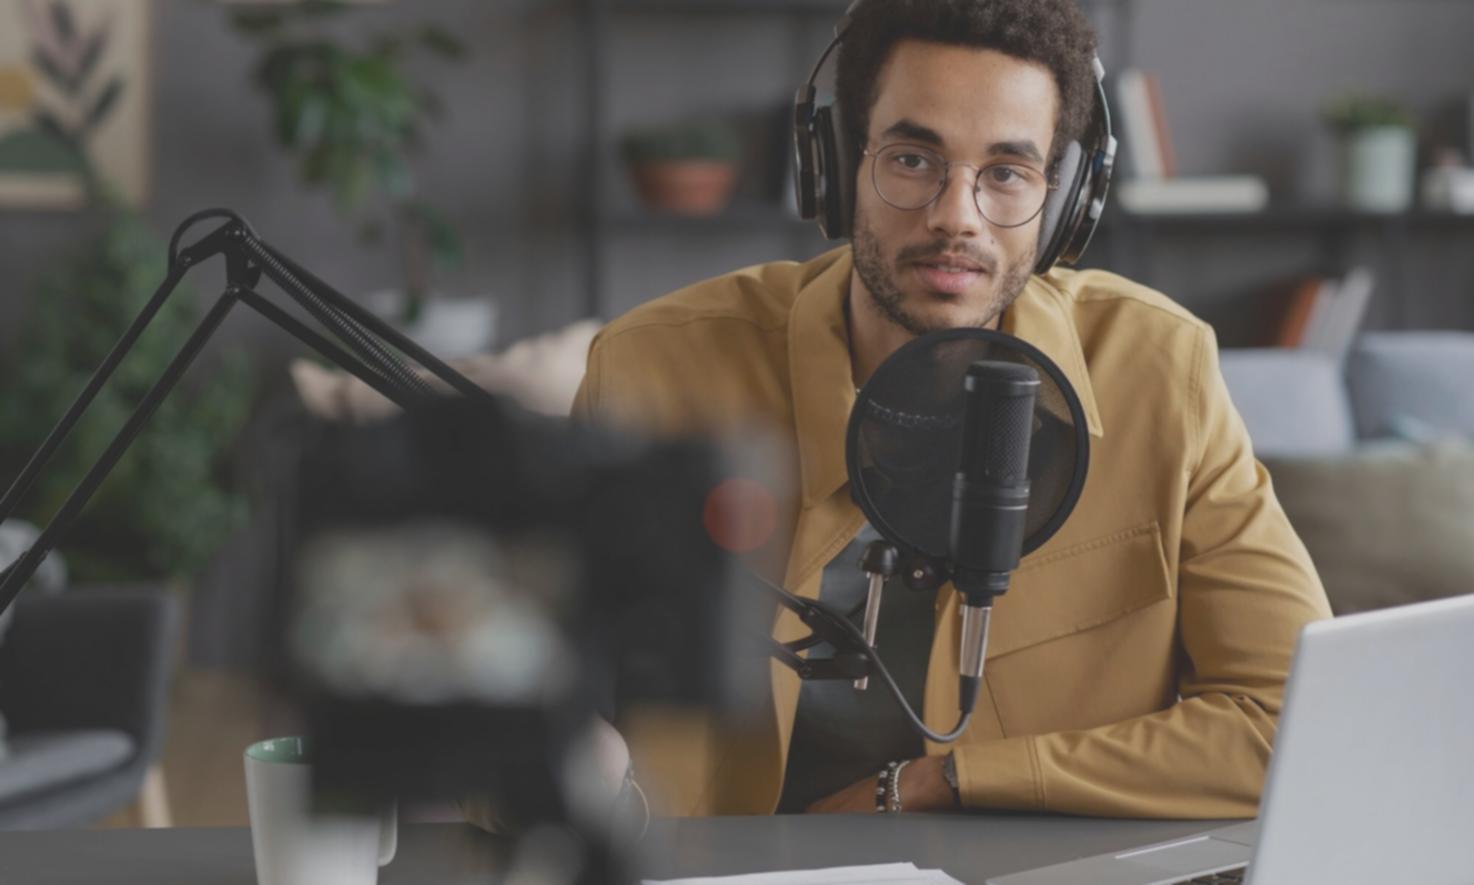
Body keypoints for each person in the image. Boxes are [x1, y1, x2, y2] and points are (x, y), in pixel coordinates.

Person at [467, 0, 1331, 827]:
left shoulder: (1160, 370)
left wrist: (945, 781)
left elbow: (1299, 721)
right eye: (913, 159)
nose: (958, 217)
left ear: (1065, 202)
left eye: (1006, 173)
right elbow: (498, 713)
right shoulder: (655, 366)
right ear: (837, 163)